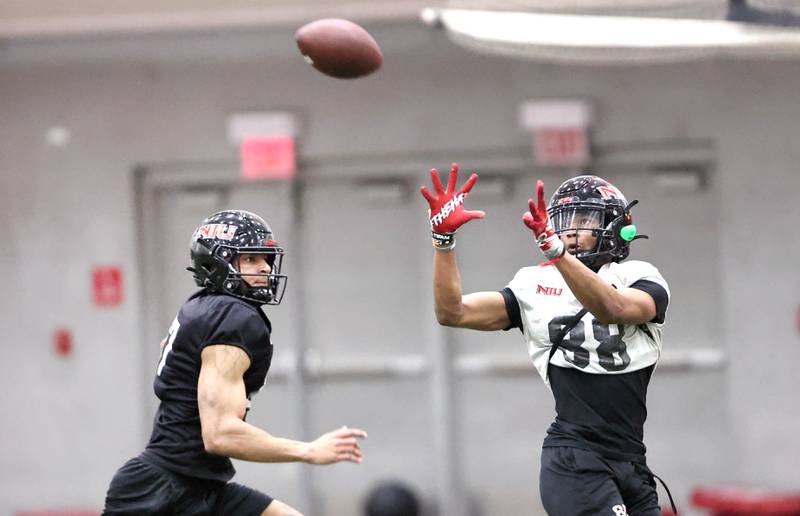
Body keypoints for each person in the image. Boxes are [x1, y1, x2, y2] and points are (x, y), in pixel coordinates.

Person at [420, 165, 675, 516]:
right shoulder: (533, 285)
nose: (571, 232)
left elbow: (612, 307)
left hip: (631, 461)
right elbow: (453, 312)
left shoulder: (639, 276)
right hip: (575, 460)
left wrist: (557, 254)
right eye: (565, 220)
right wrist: (443, 243)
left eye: (585, 219)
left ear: (617, 225)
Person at [103, 210, 367, 516]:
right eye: (251, 259)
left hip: (194, 484)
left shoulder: (203, 306)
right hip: (165, 494)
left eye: (266, 259)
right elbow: (220, 434)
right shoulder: (232, 317)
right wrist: (308, 450)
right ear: (217, 263)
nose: (265, 268)